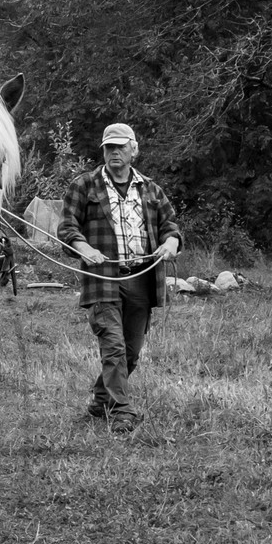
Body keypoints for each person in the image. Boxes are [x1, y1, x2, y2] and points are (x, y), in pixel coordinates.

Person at [58, 123, 182, 432]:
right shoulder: (84, 185)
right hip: (103, 279)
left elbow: (170, 225)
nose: (114, 152)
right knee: (112, 346)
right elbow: (66, 228)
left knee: (131, 352)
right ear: (102, 151)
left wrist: (170, 243)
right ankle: (121, 412)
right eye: (108, 147)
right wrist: (83, 247)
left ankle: (101, 400)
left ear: (134, 149)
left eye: (120, 147)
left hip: (142, 277)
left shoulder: (151, 189)